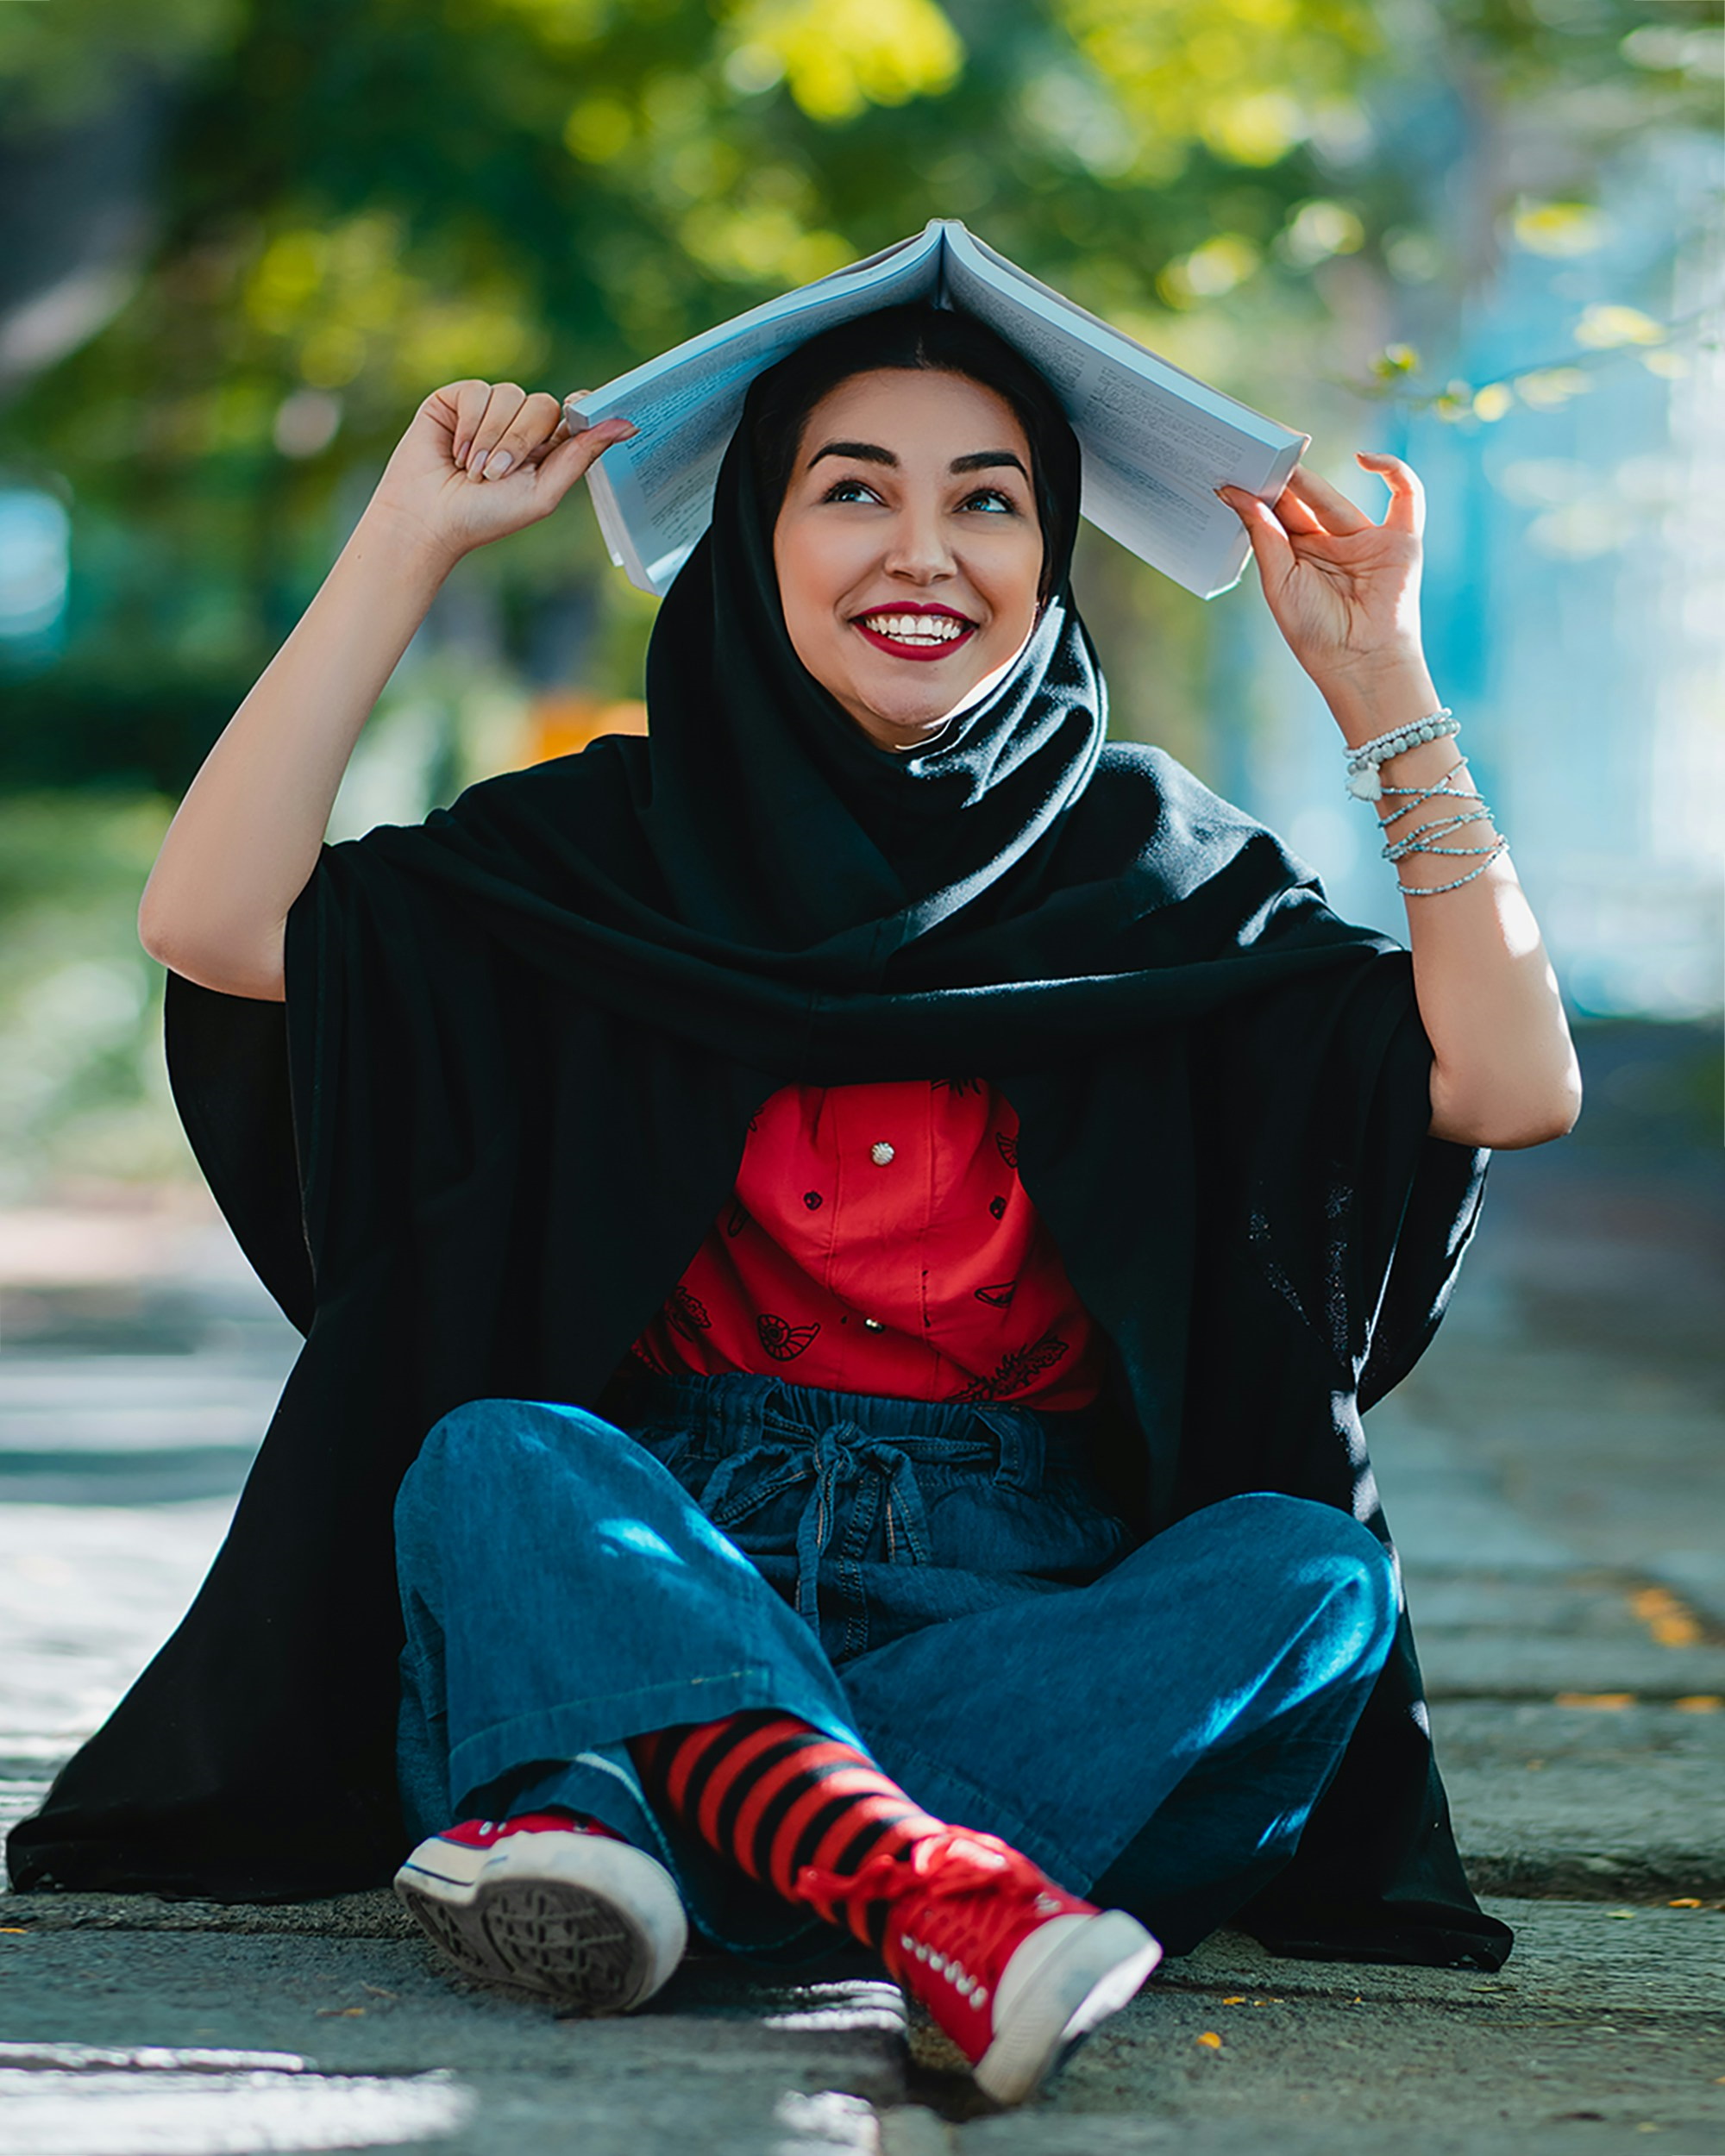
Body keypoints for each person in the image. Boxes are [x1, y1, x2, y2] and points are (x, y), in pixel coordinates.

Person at [11, 304, 1578, 2108]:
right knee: (497, 1459)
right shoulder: (599, 851)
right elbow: (213, 925)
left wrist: (1380, 677)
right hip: (651, 1543)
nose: (924, 549)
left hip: (1019, 1588)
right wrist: (406, 539)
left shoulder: (1165, 876)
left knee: (1301, 1580)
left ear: (1045, 552)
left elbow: (1508, 1084)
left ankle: (629, 1818)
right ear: (753, 534)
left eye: (988, 502)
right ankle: (932, 1886)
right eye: (854, 491)